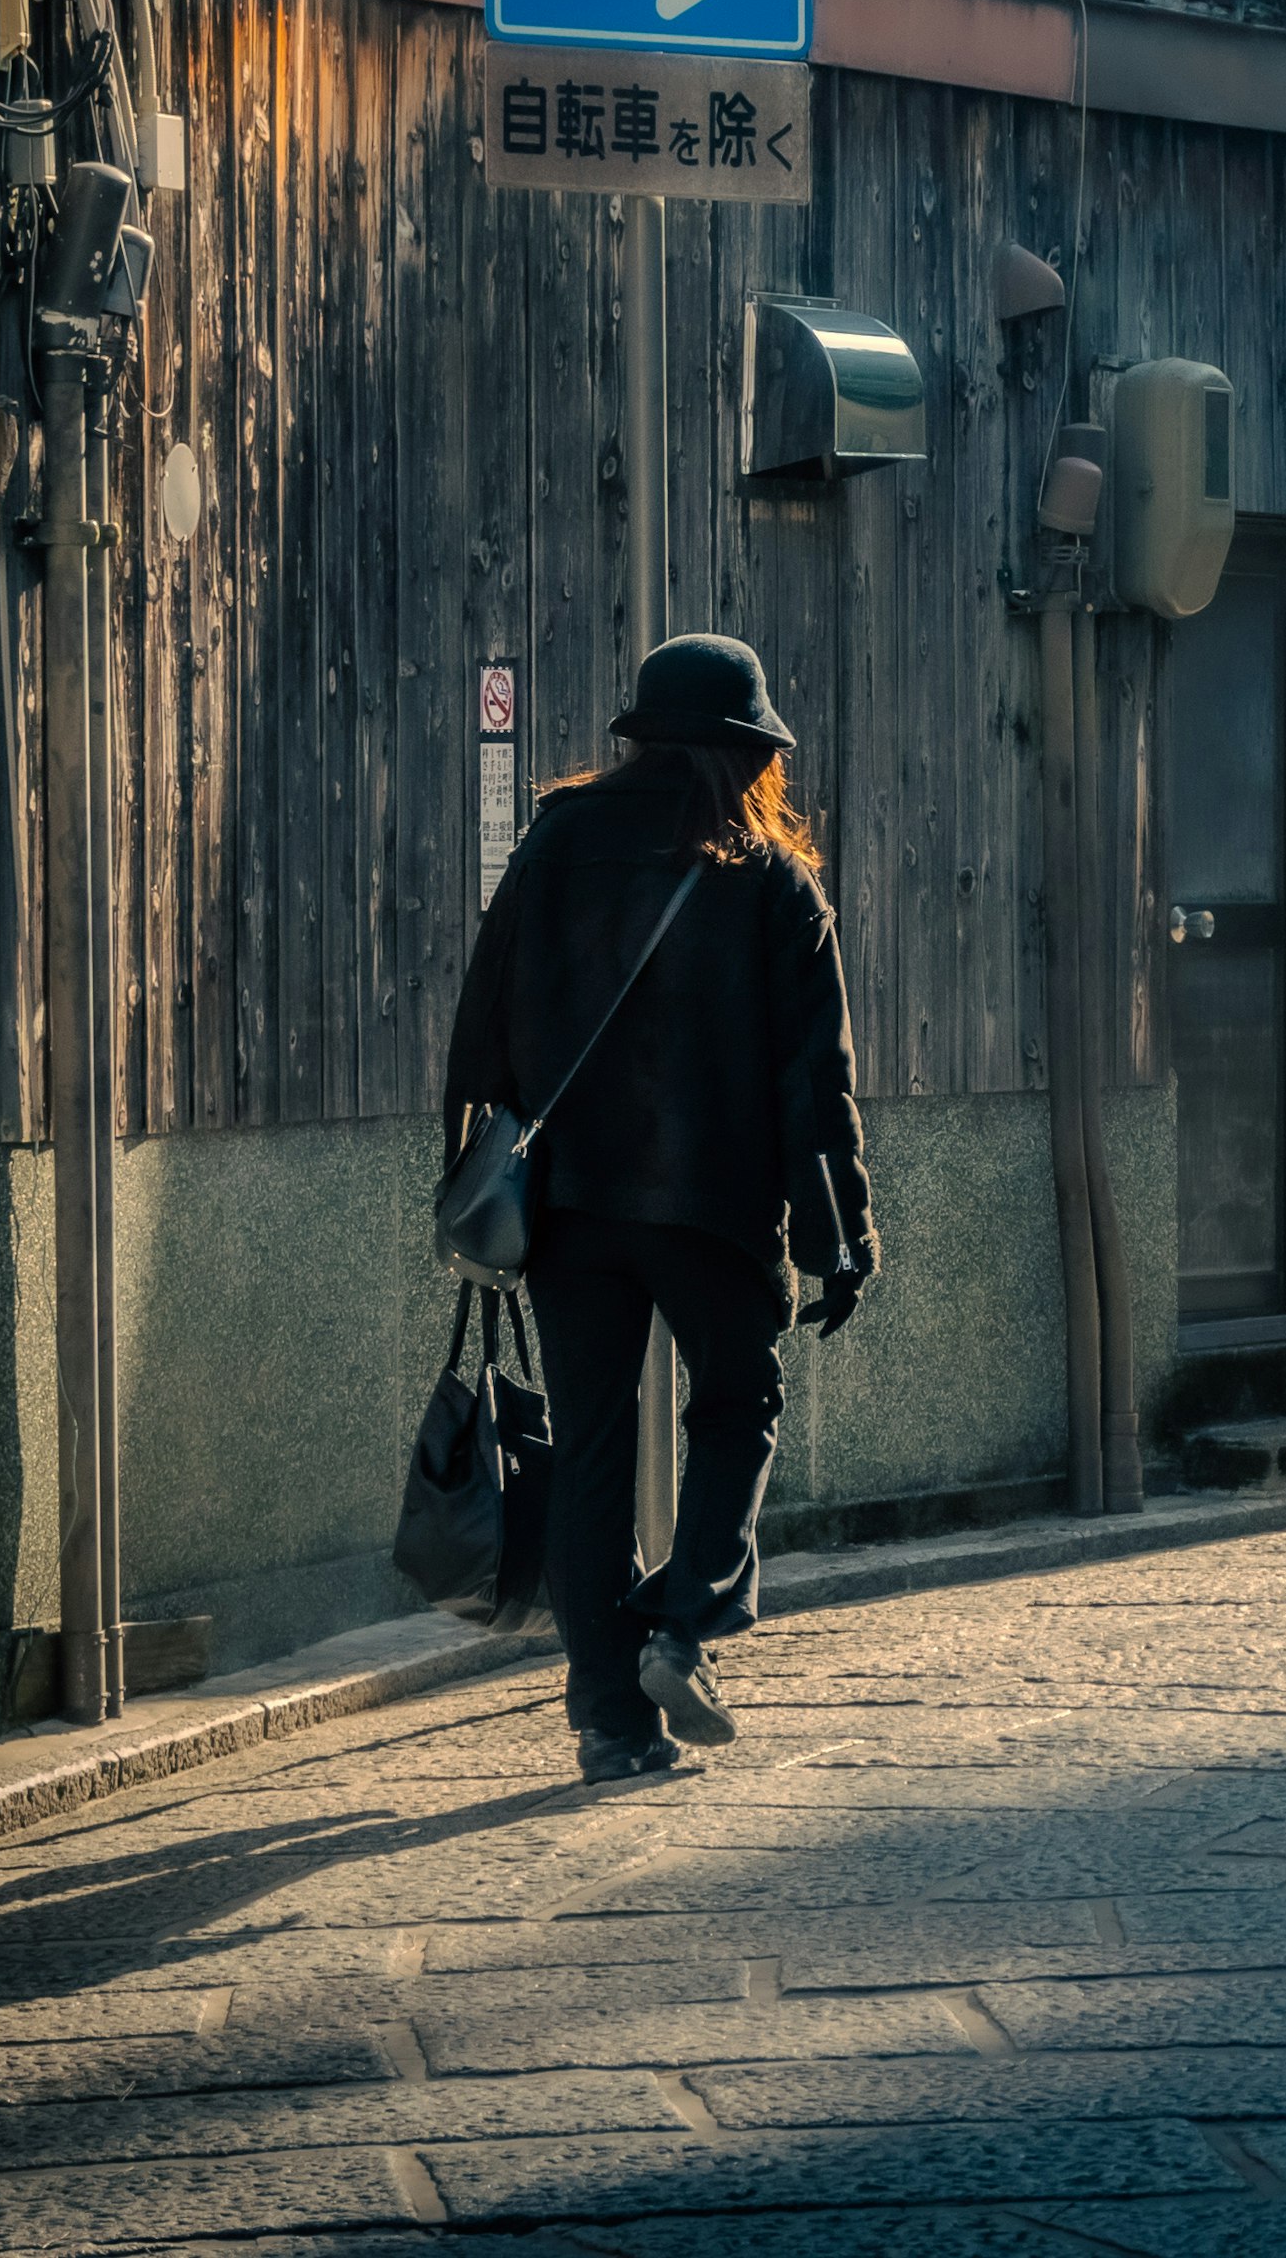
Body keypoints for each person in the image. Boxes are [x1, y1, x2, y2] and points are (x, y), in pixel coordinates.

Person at [442, 634, 876, 1783]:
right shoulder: (772, 880)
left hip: (575, 1206)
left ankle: (608, 1727)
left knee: (588, 1453)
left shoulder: (557, 841)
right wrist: (839, 1239)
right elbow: (813, 1082)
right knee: (738, 1403)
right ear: (746, 754)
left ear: (640, 738)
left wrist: (483, 1164)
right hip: (714, 1209)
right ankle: (683, 1625)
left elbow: (483, 1018)